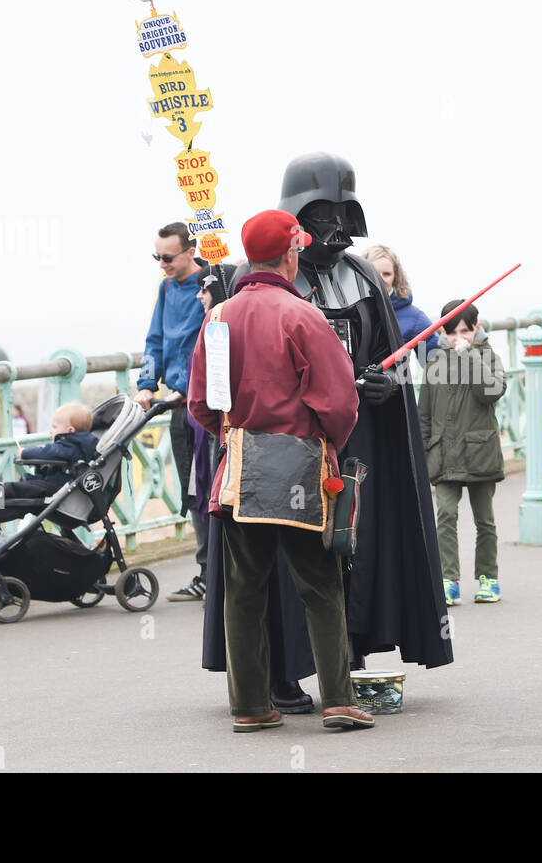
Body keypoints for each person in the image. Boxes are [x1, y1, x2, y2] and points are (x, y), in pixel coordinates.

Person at [230, 152, 453, 681]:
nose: (334, 230)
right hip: (286, 441)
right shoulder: (256, 288)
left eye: (342, 216)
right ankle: (285, 677)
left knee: (349, 545)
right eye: (320, 216)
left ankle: (337, 663)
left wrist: (384, 385)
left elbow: (392, 361)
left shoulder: (360, 278)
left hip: (353, 440)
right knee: (289, 557)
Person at [188, 208, 374, 732]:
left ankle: (250, 705)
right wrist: (327, 444)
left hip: (241, 467)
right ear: (290, 253)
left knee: (245, 589)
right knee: (320, 585)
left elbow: (201, 403)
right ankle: (338, 699)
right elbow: (339, 402)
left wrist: (233, 435)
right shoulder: (303, 316)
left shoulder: (218, 316)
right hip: (300, 467)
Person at [135, 221, 210, 602]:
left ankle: (219, 571)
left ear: (189, 251)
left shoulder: (210, 287)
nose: (161, 263)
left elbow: (213, 342)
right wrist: (147, 384)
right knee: (193, 490)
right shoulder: (165, 288)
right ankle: (206, 571)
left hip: (208, 407)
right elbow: (156, 340)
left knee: (212, 487)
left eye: (167, 257)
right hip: (178, 406)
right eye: (157, 256)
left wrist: (187, 387)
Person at [418, 300, 507, 605]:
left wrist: (468, 355)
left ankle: (488, 578)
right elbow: (424, 415)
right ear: (443, 331)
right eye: (453, 332)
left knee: (485, 519)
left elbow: (491, 392)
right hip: (443, 453)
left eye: (466, 331)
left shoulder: (487, 357)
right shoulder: (434, 362)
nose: (460, 337)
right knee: (445, 514)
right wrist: (425, 454)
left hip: (480, 452)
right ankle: (448, 579)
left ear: (476, 328)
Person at [1, 402, 98, 500]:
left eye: (55, 427)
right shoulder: (82, 445)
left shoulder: (70, 445)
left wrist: (24, 453)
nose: (51, 431)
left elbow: (47, 451)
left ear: (70, 430)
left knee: (18, 487)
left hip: (58, 488)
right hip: (64, 487)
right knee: (27, 480)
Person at [364, 244, 442, 354]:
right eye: (375, 273)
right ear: (362, 274)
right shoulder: (350, 312)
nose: (380, 280)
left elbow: (437, 363)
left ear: (395, 277)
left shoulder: (415, 318)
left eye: (387, 274)